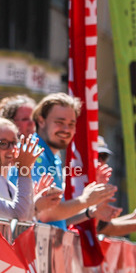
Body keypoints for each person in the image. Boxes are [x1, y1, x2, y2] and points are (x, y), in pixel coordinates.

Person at [24, 93, 115, 230]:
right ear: (41, 121)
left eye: (71, 124)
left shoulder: (53, 157)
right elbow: (47, 214)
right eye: (59, 122)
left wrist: (89, 210)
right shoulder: (34, 153)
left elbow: (57, 219)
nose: (66, 130)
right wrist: (85, 200)